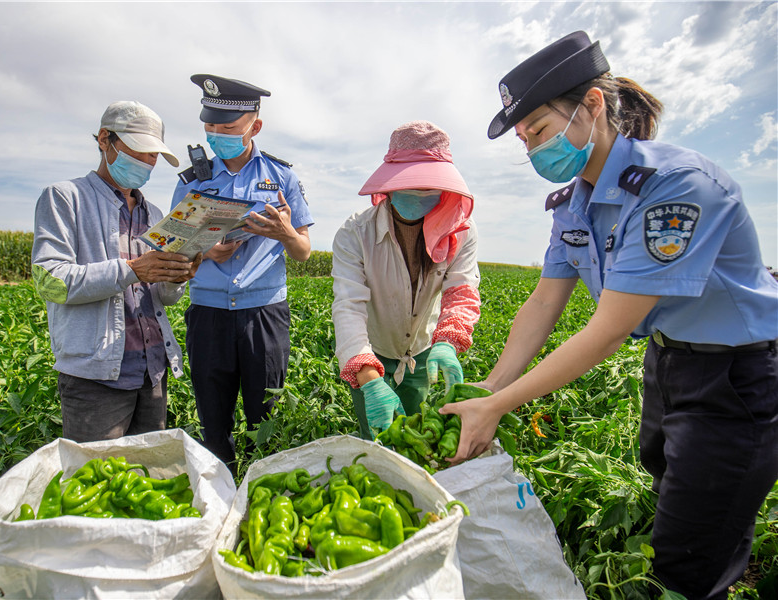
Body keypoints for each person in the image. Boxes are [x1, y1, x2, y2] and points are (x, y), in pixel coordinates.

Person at [439, 31, 778, 600]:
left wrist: (497, 407)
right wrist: (488, 386)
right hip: (668, 363)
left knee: (691, 559)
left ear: (592, 105)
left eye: (539, 130)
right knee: (676, 496)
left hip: (736, 377)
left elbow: (609, 329)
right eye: (524, 141)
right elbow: (543, 302)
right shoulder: (574, 203)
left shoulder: (674, 186)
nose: (533, 150)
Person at [32, 100, 201, 443]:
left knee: (146, 471)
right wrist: (132, 270)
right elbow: (51, 281)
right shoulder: (65, 198)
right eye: (138, 150)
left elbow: (162, 298)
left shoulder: (155, 214)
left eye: (153, 155)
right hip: (97, 377)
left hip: (153, 371)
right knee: (95, 471)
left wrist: (177, 277)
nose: (147, 161)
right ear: (104, 140)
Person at [171, 74, 313, 474]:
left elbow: (302, 251)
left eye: (228, 128)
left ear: (255, 126)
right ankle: (220, 493)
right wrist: (205, 251)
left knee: (263, 421)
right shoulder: (192, 181)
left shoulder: (281, 177)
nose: (217, 135)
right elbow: (174, 248)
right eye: (211, 127)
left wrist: (284, 233)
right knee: (213, 422)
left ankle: (259, 490)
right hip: (208, 314)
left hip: (263, 315)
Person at [332, 120, 481, 439]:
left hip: (423, 351)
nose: (419, 192)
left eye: (429, 185)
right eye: (411, 183)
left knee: (415, 433)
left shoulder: (461, 232)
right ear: (390, 184)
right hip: (370, 349)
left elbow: (461, 291)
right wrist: (368, 377)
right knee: (375, 434)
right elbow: (348, 306)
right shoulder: (355, 233)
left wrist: (448, 342)